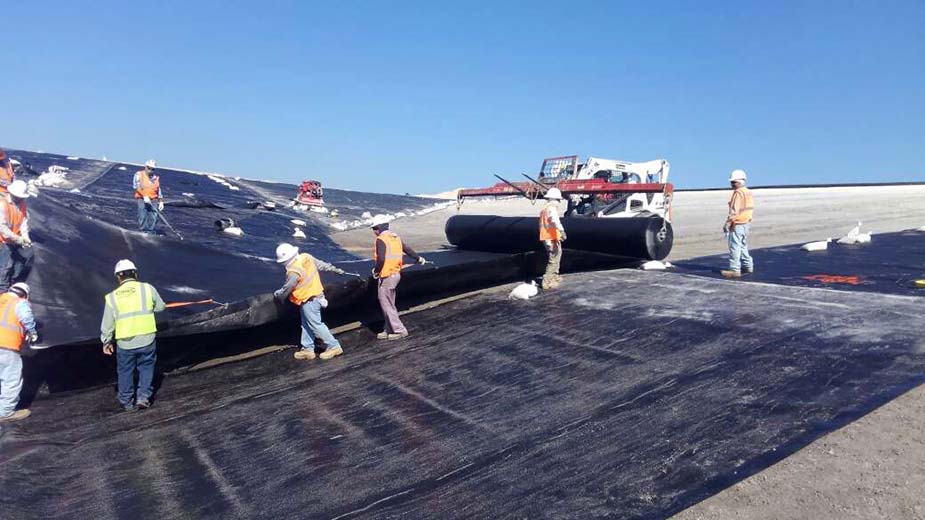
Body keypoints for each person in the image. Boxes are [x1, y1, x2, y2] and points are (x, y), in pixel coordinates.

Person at [100, 259, 165, 411]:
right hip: (147, 339)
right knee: (146, 368)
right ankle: (143, 398)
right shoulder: (147, 289)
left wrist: (106, 341)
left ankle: (126, 402)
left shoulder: (112, 297)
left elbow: (107, 323)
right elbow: (160, 307)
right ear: (135, 273)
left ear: (118, 276)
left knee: (125, 371)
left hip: (125, 343)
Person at [273, 243, 345, 360]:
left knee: (316, 325)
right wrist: (334, 269)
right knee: (306, 324)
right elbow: (321, 265)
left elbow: (287, 288)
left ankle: (334, 346)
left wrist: (278, 295)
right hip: (314, 297)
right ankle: (308, 349)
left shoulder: (293, 271)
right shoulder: (306, 257)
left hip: (310, 300)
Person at [370, 216, 426, 340]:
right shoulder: (395, 237)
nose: (374, 231)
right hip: (395, 274)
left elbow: (381, 259)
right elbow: (407, 249)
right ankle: (388, 328)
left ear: (379, 228)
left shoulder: (381, 239)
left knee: (386, 304)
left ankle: (400, 330)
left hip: (387, 276)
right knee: (389, 303)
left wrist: (376, 271)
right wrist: (419, 258)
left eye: (374, 228)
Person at [0, 283, 38, 423]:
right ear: (24, 294)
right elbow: (26, 317)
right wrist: (32, 332)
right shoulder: (20, 303)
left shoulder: (1, 299)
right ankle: (5, 412)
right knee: (11, 380)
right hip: (7, 346)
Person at [0, 180, 35, 292]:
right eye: (19, 197)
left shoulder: (22, 204)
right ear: (12, 194)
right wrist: (18, 239)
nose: (21, 199)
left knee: (20, 261)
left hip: (15, 239)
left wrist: (25, 236)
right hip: (4, 241)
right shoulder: (2, 204)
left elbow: (23, 221)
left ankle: (12, 282)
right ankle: (2, 289)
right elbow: (2, 228)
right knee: (6, 266)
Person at [721, 169, 755, 278]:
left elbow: (734, 211)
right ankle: (748, 266)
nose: (732, 184)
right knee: (743, 245)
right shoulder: (747, 192)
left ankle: (735, 269)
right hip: (746, 222)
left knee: (735, 247)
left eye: (733, 182)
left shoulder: (738, 193)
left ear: (739, 182)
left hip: (737, 223)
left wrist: (728, 223)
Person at [539, 188, 567, 290]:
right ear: (554, 199)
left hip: (548, 237)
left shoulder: (545, 208)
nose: (559, 202)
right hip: (550, 238)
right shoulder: (551, 208)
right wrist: (562, 231)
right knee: (554, 259)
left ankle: (554, 276)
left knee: (557, 255)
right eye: (558, 200)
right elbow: (555, 221)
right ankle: (546, 282)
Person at [133, 159, 163, 234]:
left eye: (152, 169)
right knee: (142, 214)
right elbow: (136, 186)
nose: (150, 170)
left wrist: (161, 201)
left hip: (153, 199)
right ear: (145, 167)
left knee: (153, 216)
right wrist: (144, 196)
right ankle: (142, 230)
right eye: (149, 168)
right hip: (142, 198)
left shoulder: (155, 178)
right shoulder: (139, 174)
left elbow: (158, 190)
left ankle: (150, 231)